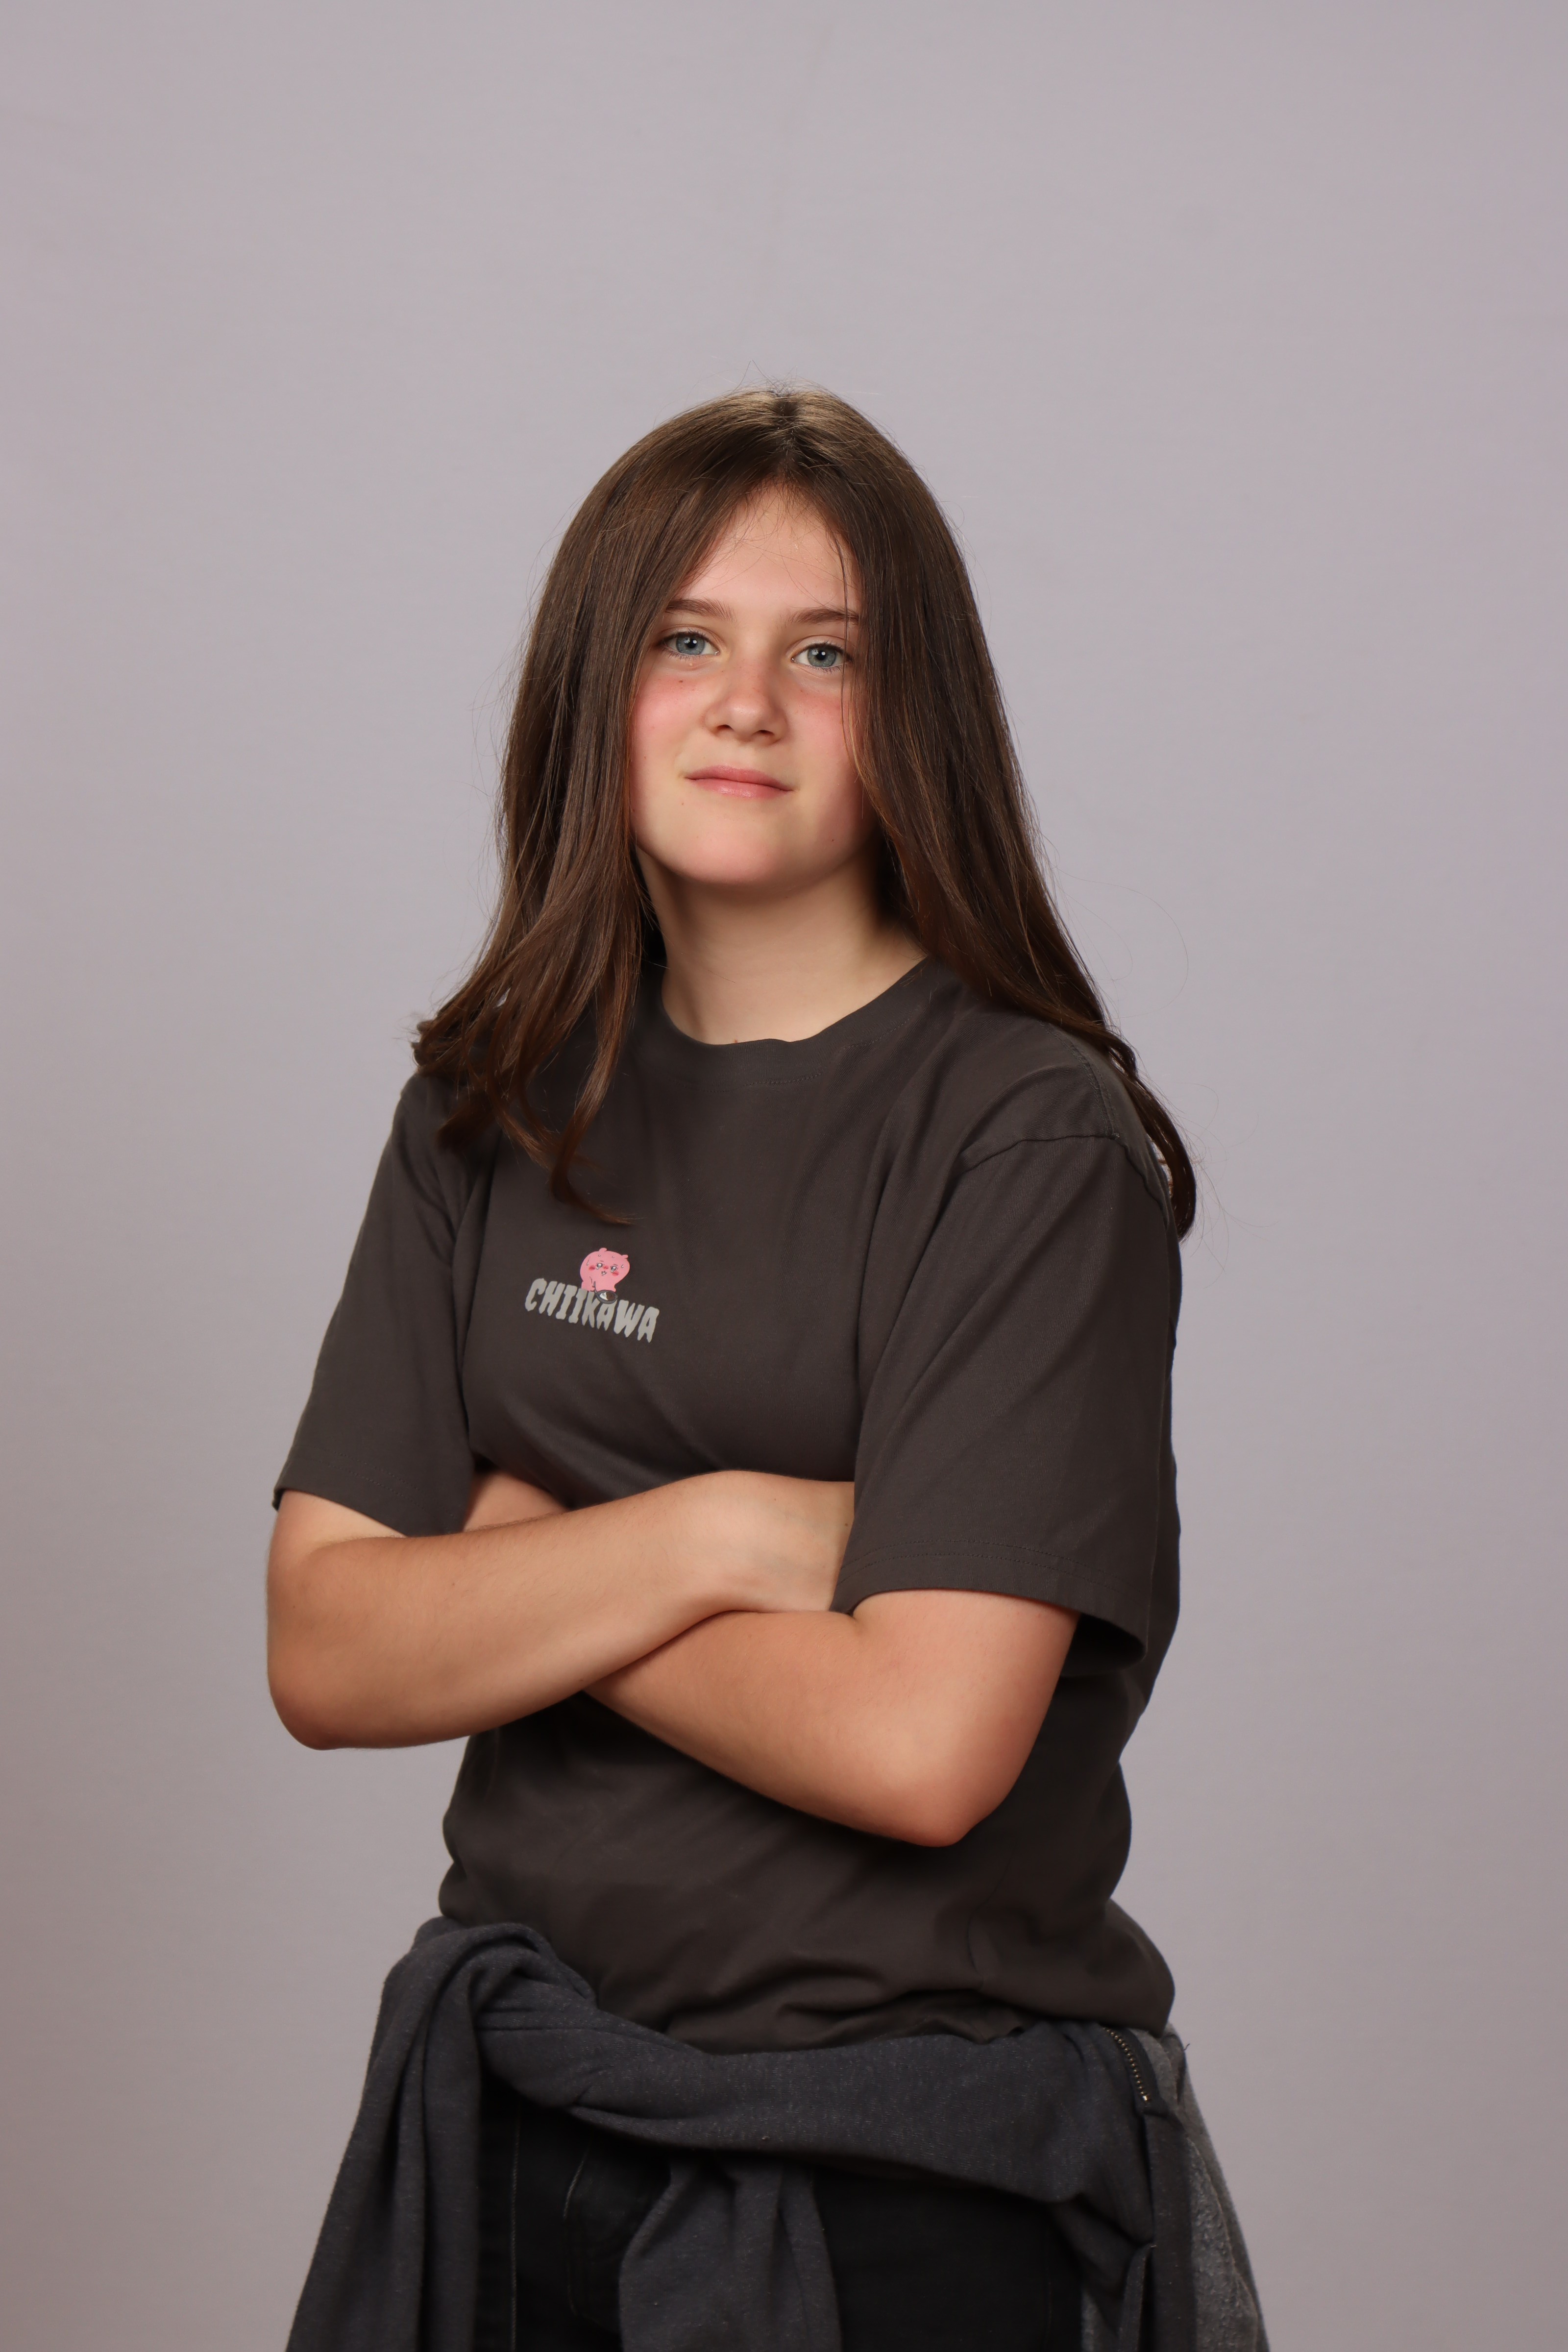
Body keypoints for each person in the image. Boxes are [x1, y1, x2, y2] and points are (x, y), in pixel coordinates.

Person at [269, 388, 1263, 2352]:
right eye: (685, 638)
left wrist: (519, 1570)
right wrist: (721, 1534)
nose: (747, 705)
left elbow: (919, 1748)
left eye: (826, 655)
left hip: (895, 2183)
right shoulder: (486, 1106)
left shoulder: (1021, 1138)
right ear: (595, 690)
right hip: (518, 2126)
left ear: (917, 722)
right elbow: (326, 1652)